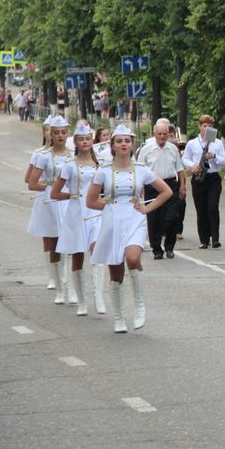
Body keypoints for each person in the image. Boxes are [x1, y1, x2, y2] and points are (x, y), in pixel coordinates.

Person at [86, 125, 173, 333]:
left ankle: (140, 306)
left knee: (133, 259)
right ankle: (119, 316)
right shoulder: (103, 171)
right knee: (116, 270)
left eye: (127, 140)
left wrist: (146, 208)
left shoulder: (141, 169)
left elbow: (166, 191)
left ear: (132, 144)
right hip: (112, 221)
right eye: (119, 141)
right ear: (112, 146)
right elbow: (90, 201)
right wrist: (109, 206)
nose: (124, 144)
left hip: (135, 218)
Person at [50, 123, 102, 315]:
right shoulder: (69, 166)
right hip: (76, 211)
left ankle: (98, 295)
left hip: (96, 211)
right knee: (78, 254)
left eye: (88, 138)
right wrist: (71, 195)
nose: (85, 142)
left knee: (97, 249)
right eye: (81, 139)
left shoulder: (99, 165)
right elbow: (55, 192)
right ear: (76, 142)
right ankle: (82, 301)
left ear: (92, 140)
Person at [27, 116, 75, 305]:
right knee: (54, 243)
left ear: (68, 132)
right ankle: (60, 287)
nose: (60, 136)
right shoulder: (43, 155)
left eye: (63, 132)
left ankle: (70, 285)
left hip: (69, 200)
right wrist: (51, 186)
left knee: (71, 244)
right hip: (51, 201)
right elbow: (31, 182)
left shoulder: (74, 154)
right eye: (56, 132)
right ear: (50, 134)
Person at [137, 122, 186, 259]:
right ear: (154, 134)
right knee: (154, 218)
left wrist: (183, 185)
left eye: (165, 134)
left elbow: (179, 169)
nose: (162, 136)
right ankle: (157, 249)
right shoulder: (147, 149)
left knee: (172, 217)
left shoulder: (173, 149)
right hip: (152, 185)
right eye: (160, 134)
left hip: (170, 184)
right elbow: (139, 169)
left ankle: (170, 247)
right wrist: (140, 186)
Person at [182, 115, 225, 249]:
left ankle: (215, 238)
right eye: (204, 126)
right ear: (200, 126)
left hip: (213, 178)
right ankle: (204, 239)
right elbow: (185, 158)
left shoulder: (217, 143)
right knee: (201, 209)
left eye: (210, 126)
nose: (207, 128)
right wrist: (192, 165)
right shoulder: (192, 143)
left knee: (212, 208)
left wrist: (214, 156)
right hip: (198, 178)